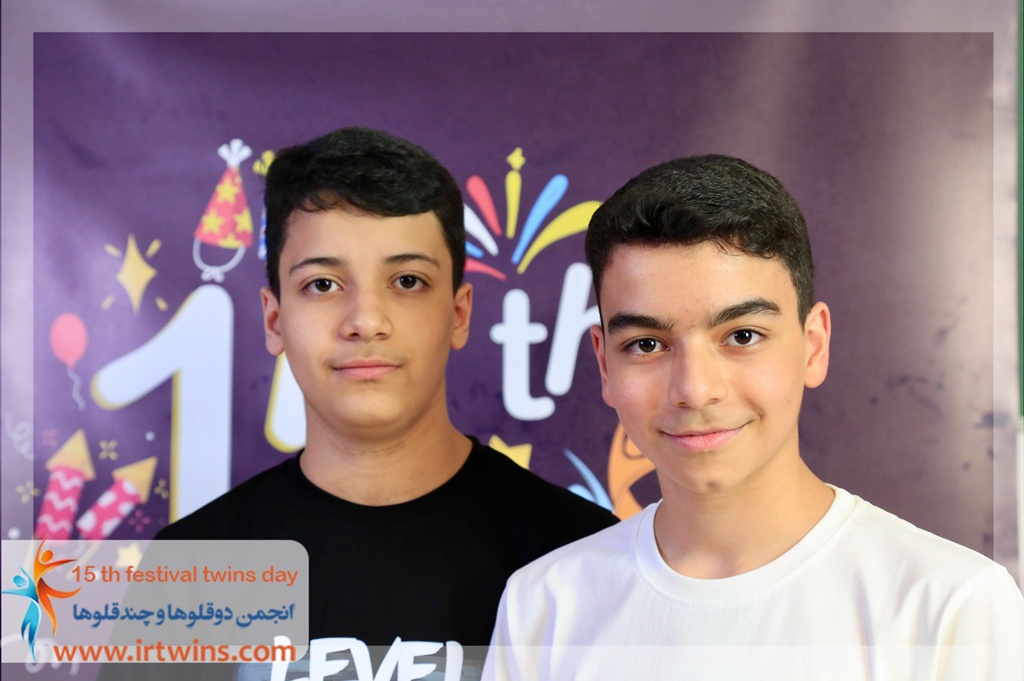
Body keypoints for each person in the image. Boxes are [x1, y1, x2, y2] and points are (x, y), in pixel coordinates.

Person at [482, 155, 1024, 680]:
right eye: (647, 344)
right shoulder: (546, 605)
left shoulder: (949, 606)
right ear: (604, 364)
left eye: (742, 336)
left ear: (813, 345)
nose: (695, 390)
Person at [153, 127, 617, 679]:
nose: (366, 321)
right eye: (323, 284)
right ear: (275, 319)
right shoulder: (189, 571)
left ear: (459, 313)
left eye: (408, 281)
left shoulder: (579, 555)